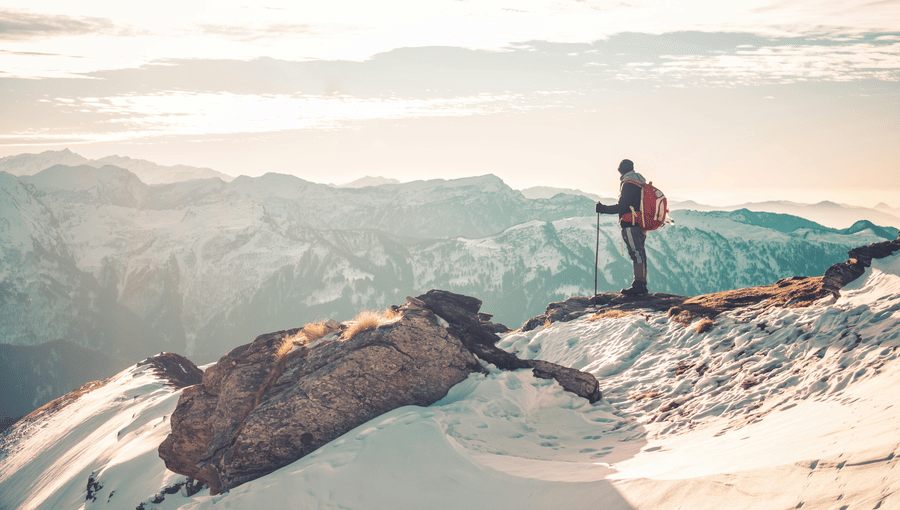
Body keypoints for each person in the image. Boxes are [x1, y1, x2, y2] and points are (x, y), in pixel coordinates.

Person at [595, 159, 650, 296]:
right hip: (640, 223)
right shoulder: (639, 183)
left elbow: (623, 206)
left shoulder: (628, 184)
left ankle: (638, 285)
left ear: (621, 170)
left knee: (636, 253)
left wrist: (603, 209)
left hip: (630, 224)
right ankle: (642, 284)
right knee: (640, 253)